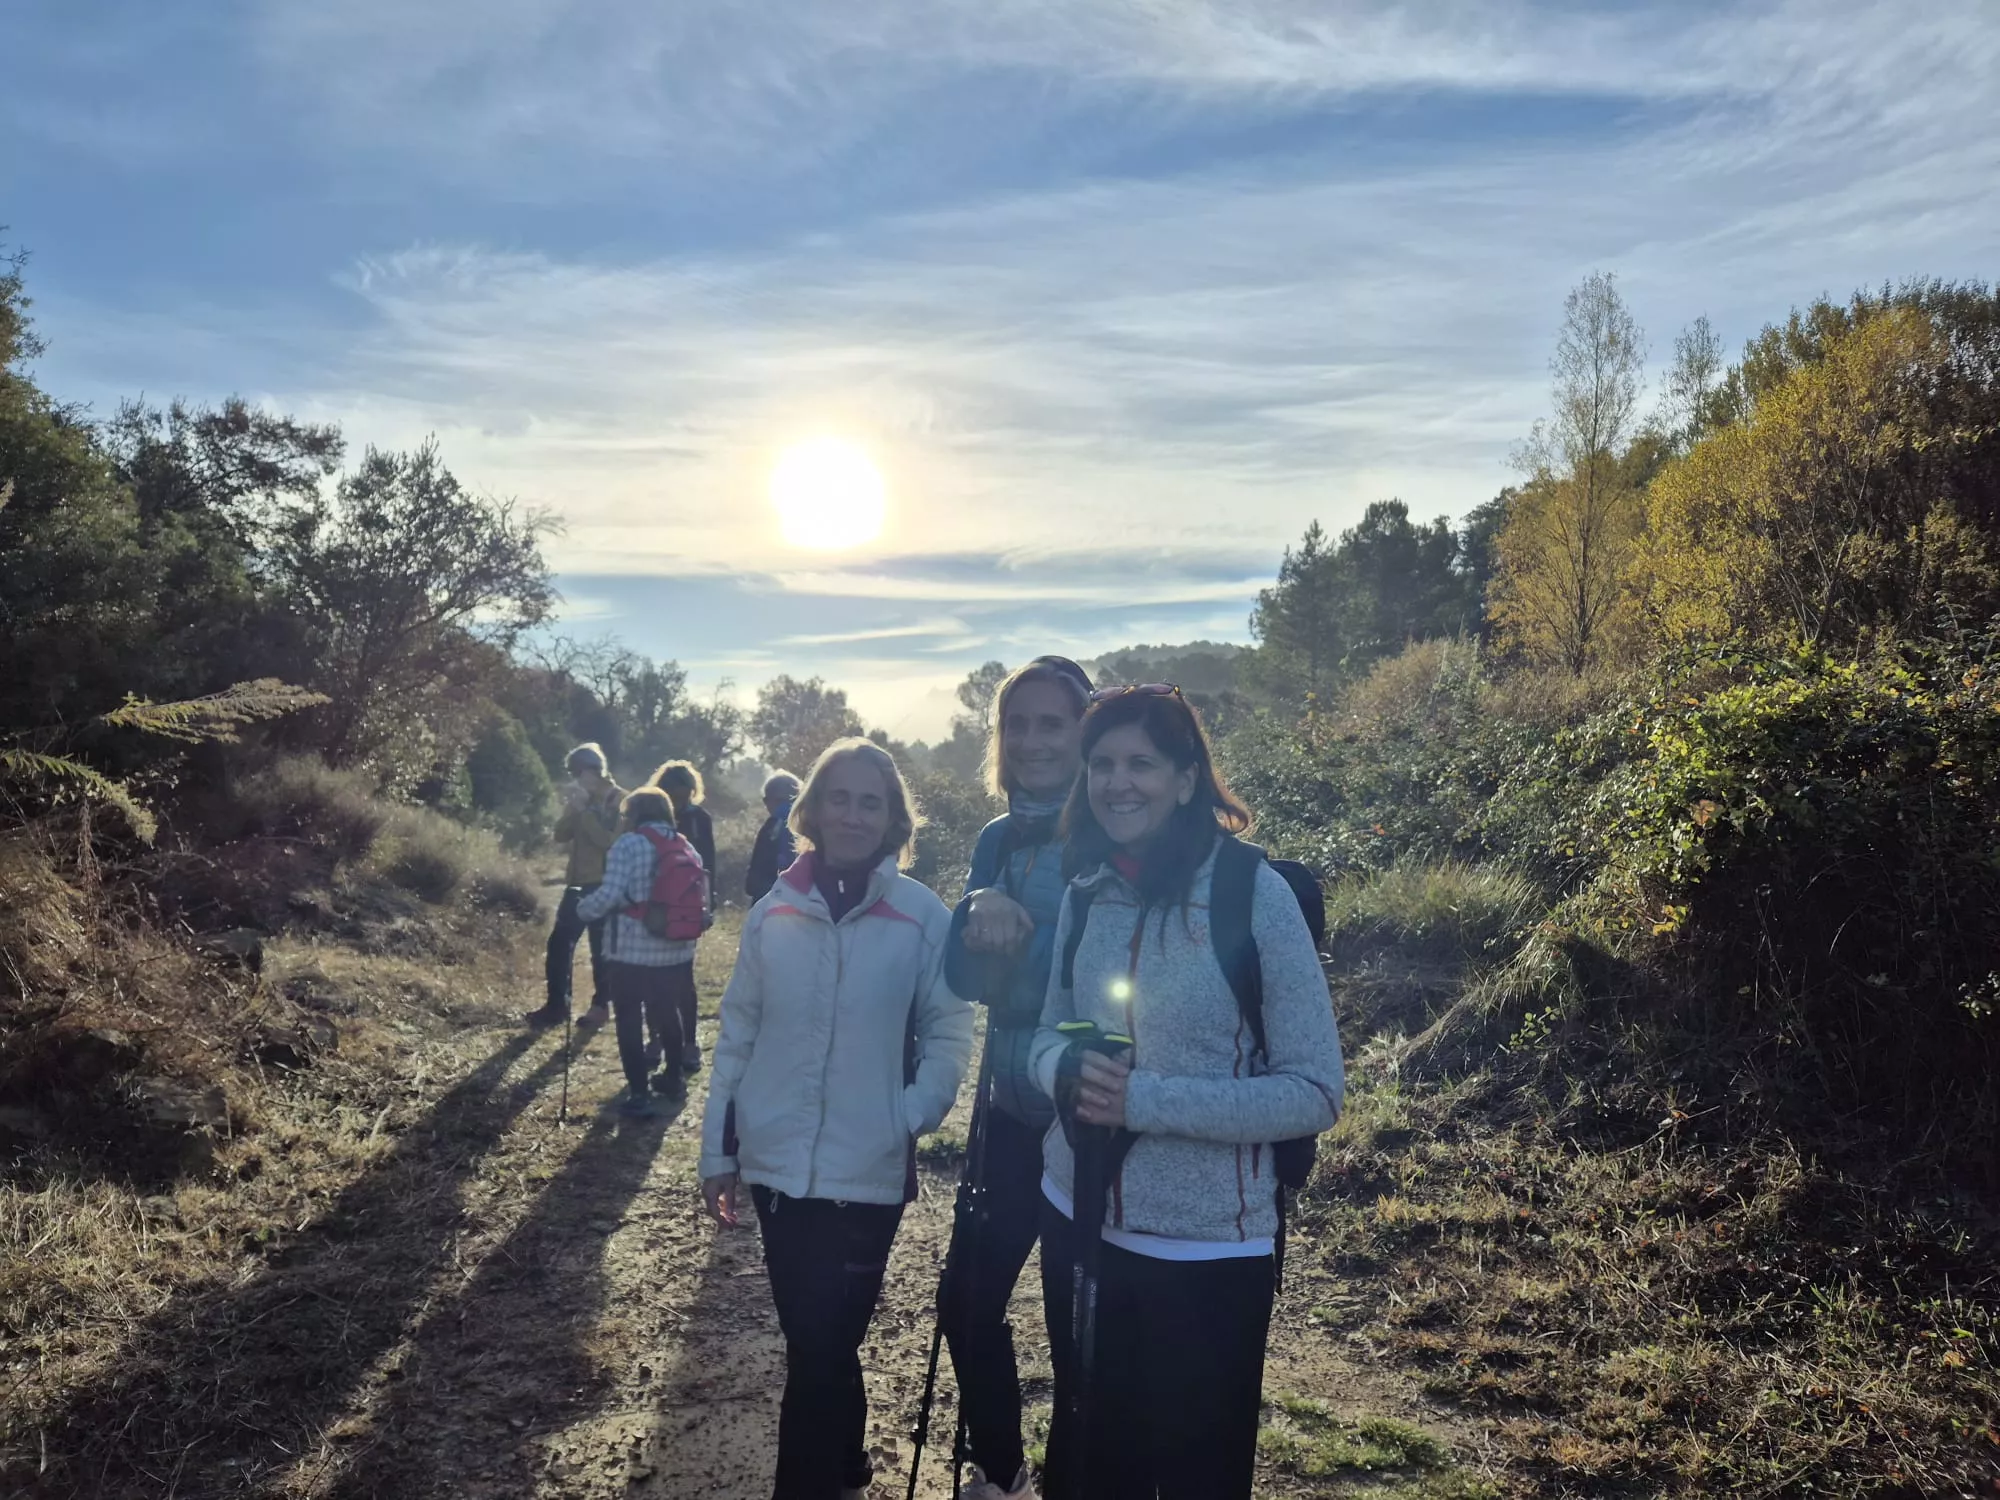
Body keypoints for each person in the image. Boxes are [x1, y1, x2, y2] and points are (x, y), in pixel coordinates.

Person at [1029, 688, 1345, 1500]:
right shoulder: (1085, 890)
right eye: (1101, 764)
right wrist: (1058, 1072)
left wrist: (1143, 1101)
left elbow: (1313, 1091)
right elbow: (1045, 1037)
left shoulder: (1253, 893)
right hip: (1077, 1221)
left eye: (1141, 763)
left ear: (1185, 778)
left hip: (1208, 1254)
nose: (1117, 782)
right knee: (1088, 1465)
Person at [700, 739, 973, 1500]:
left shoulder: (923, 916)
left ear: (893, 818)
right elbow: (738, 1035)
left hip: (870, 1171)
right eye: (839, 798)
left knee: (824, 1343)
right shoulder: (772, 911)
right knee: (815, 1343)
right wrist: (716, 1154)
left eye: (870, 801)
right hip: (777, 1168)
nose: (853, 814)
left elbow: (951, 1030)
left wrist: (910, 1113)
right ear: (811, 809)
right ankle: (846, 1470)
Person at [941, 657, 1094, 1500]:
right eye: (1017, 724)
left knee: (1081, 1339)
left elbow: (1090, 977)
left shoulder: (1115, 831)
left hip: (1091, 1124)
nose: (1032, 741)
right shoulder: (995, 840)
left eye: (1052, 723)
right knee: (965, 1305)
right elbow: (962, 979)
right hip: (1006, 1114)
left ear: (1085, 732)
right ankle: (1000, 1471)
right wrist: (972, 912)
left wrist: (1011, 934)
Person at [574, 787, 701, 1116]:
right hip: (676, 948)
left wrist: (582, 909)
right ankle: (673, 1078)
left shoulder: (628, 845)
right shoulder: (685, 845)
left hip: (632, 950)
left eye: (626, 814)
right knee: (667, 1011)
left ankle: (639, 1094)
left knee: (629, 1017)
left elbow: (611, 895)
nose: (624, 820)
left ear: (636, 815)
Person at [523, 743, 624, 1029]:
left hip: (605, 884)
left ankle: (601, 1007)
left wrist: (586, 812)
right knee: (559, 944)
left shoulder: (618, 799)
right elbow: (560, 834)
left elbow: (609, 841)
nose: (574, 777)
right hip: (577, 884)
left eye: (576, 772)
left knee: (600, 948)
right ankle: (557, 1006)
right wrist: (574, 808)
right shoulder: (581, 800)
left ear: (591, 770)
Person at [647, 759, 718, 1077]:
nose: (681, 799)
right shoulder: (653, 820)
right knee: (653, 976)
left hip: (687, 909)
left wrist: (707, 906)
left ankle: (689, 1043)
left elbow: (708, 865)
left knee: (682, 979)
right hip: (657, 907)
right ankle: (656, 1039)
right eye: (675, 794)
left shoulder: (700, 819)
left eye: (686, 793)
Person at [744, 770, 802, 903]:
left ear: (769, 800)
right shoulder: (811, 825)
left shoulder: (772, 826)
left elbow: (757, 870)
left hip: (770, 901)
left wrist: (753, 886)